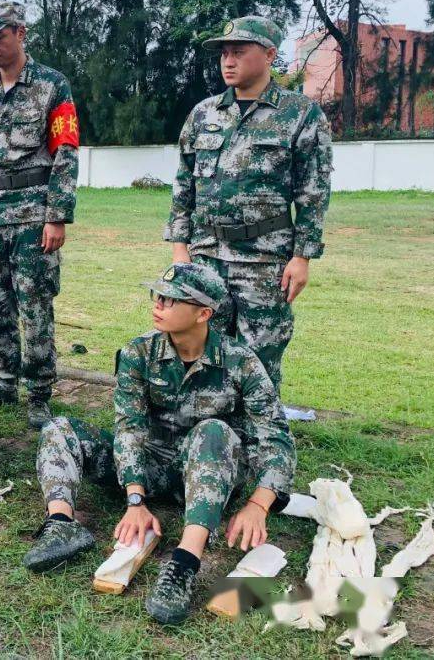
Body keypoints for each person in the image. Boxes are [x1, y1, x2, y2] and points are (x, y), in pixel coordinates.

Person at [23, 263, 295, 625]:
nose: (159, 304)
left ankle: (184, 564)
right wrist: (135, 498)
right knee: (59, 428)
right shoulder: (138, 353)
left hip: (206, 472)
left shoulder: (240, 361)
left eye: (172, 299)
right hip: (149, 466)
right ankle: (61, 524)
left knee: (212, 430)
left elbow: (276, 436)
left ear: (203, 313)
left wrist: (259, 505)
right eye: (158, 296)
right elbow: (129, 426)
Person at [165, 15, 332, 391]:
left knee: (260, 359)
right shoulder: (204, 114)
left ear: (270, 54)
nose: (228, 60)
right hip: (206, 254)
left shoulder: (300, 115)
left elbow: (313, 193)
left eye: (239, 52)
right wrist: (180, 249)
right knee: (202, 350)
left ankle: (260, 437)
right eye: (224, 53)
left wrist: (302, 257)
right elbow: (183, 186)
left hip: (264, 260)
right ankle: (211, 433)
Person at [0, 1, 80, 429]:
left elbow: (65, 152)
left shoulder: (52, 85)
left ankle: (40, 391)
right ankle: (5, 380)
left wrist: (57, 215)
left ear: (20, 33)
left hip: (33, 214)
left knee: (35, 302)